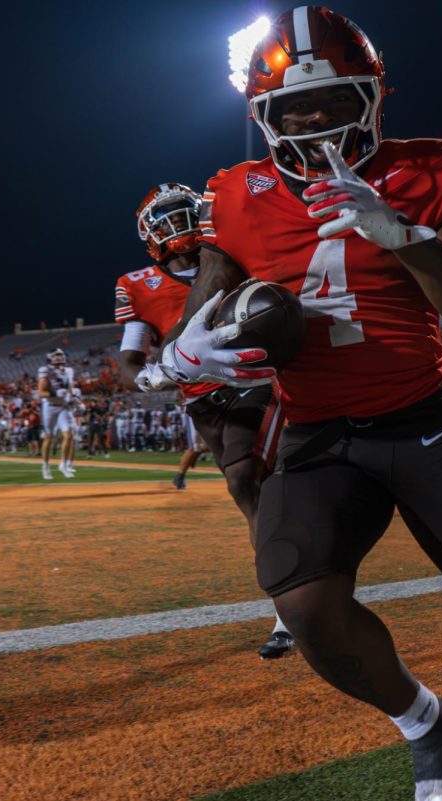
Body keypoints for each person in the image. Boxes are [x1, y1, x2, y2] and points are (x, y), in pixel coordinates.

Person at [149, 9, 442, 798]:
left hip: (421, 415)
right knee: (304, 605)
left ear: (371, 98)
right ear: (266, 116)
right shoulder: (233, 192)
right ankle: (430, 723)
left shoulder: (430, 164)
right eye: (299, 108)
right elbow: (205, 304)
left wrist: (405, 236)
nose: (318, 122)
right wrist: (180, 352)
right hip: (318, 431)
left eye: (336, 101)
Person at [121, 182, 291, 659]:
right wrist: (150, 379)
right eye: (168, 219)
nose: (181, 225)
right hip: (201, 402)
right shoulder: (136, 285)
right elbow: (130, 359)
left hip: (253, 381)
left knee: (245, 480)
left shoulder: (236, 254)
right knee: (251, 488)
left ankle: (288, 605)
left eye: (186, 214)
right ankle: (293, 587)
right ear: (149, 233)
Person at [37, 348, 77, 478]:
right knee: (50, 437)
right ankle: (45, 467)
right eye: (57, 355)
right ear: (50, 357)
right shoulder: (45, 370)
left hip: (64, 406)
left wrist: (74, 398)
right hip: (50, 406)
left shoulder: (69, 371)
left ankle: (64, 465)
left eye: (61, 355)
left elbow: (70, 388)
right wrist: (54, 393)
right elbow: (41, 392)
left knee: (69, 435)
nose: (60, 357)